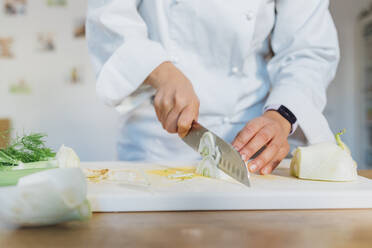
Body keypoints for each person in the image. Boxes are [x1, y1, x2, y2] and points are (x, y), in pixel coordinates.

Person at [86, 0, 339, 175]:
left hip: (251, 141)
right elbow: (108, 17)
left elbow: (308, 49)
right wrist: (161, 72)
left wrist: (281, 116)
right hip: (159, 144)